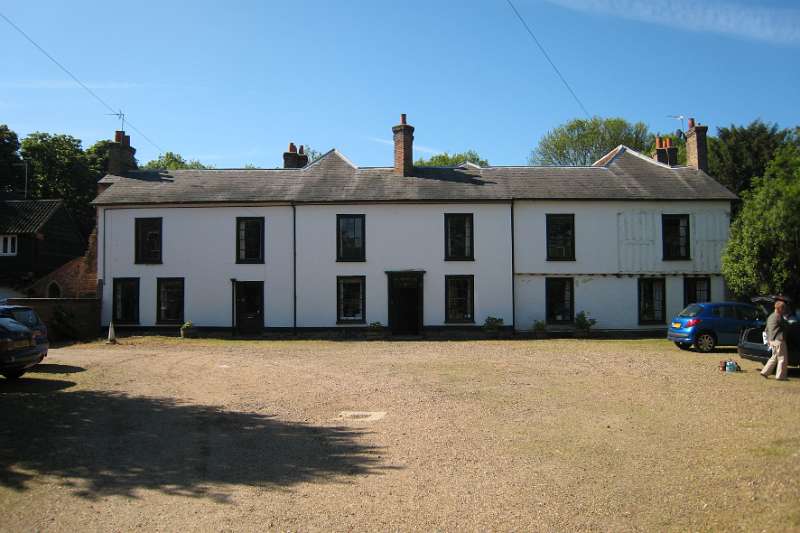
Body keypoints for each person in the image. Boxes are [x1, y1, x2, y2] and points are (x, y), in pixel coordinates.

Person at [761, 298, 790, 380]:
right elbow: (786, 326)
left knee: (774, 357)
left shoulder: (770, 317)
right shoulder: (779, 317)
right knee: (782, 358)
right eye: (783, 308)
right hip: (779, 340)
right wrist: (787, 319)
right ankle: (781, 376)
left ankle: (764, 372)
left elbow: (766, 329)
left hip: (772, 340)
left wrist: (769, 340)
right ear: (779, 308)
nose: (784, 310)